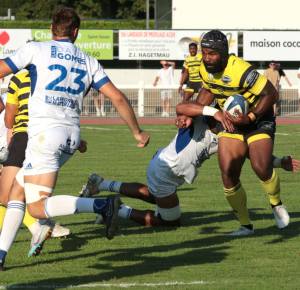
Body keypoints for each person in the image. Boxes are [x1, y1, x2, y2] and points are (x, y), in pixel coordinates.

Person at [0, 7, 149, 271]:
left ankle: (102, 206)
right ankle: (0, 256)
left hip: (44, 136)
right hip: (71, 137)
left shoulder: (36, 48)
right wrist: (137, 132)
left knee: (36, 209)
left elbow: (2, 69)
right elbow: (117, 97)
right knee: (17, 191)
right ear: (76, 32)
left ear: (51, 29)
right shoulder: (89, 61)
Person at [79, 101, 299, 228]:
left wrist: (279, 162)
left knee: (153, 196)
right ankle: (116, 210)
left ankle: (102, 183)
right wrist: (210, 112)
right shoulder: (198, 120)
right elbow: (182, 106)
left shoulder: (228, 136)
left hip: (163, 167)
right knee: (168, 222)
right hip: (165, 171)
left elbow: (253, 156)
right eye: (231, 116)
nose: (233, 121)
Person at [196, 30, 286, 236]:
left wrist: (251, 117)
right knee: (228, 172)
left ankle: (276, 204)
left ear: (224, 53)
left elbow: (271, 94)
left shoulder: (242, 70)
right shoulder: (204, 67)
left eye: (212, 54)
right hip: (231, 120)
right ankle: (245, 226)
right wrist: (194, 112)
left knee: (260, 166)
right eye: (204, 53)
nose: (207, 58)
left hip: (258, 118)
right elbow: (209, 88)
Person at [0, 71, 72, 251]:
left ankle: (40, 227)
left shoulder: (13, 92)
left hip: (17, 145)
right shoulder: (29, 88)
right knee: (9, 196)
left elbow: (11, 123)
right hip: (25, 144)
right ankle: (40, 226)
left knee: (10, 196)